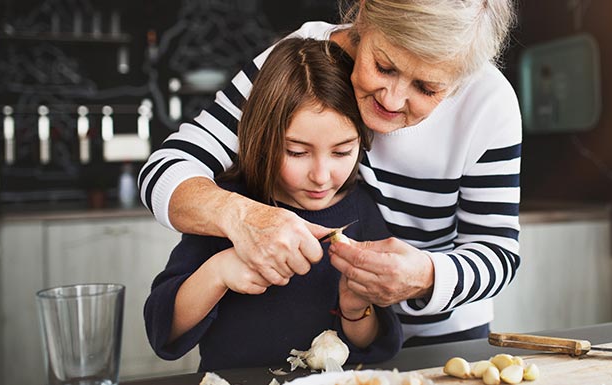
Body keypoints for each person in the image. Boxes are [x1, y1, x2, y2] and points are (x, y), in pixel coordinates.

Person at [139, 0, 522, 347]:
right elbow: (164, 170)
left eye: (426, 87)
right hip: (327, 346)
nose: (391, 100)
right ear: (363, 16)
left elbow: (498, 252)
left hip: (444, 339)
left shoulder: (489, 103)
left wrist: (425, 275)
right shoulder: (302, 61)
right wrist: (243, 218)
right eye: (383, 66)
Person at [143, 38, 402, 371]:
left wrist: (356, 310)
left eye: (342, 152)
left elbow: (376, 348)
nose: (321, 176)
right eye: (296, 152)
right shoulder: (232, 209)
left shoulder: (363, 210)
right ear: (263, 139)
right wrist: (219, 272)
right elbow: (163, 332)